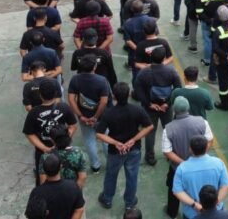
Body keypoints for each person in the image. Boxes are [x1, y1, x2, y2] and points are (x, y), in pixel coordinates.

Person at [95, 82, 153, 211]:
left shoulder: (109, 113)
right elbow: (149, 126)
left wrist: (116, 143)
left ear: (114, 96)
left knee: (111, 175)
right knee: (132, 176)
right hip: (134, 150)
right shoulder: (137, 109)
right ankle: (129, 203)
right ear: (128, 94)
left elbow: (99, 134)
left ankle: (107, 199)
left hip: (115, 151)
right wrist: (133, 140)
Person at [164, 97, 215, 216]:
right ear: (188, 108)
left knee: (174, 189)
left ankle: (172, 212)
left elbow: (167, 151)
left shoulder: (168, 129)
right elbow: (210, 140)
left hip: (177, 168)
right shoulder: (202, 121)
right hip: (201, 164)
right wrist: (199, 156)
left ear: (174, 110)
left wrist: (184, 163)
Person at [67, 55, 111, 174]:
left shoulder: (75, 79)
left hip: (84, 117)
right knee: (106, 139)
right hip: (101, 117)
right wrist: (96, 117)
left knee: (89, 140)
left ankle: (95, 165)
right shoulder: (102, 80)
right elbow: (104, 101)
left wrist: (81, 116)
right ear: (95, 66)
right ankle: (110, 164)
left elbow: (71, 99)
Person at [173, 135, 228, 219]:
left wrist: (195, 205)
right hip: (216, 211)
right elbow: (226, 186)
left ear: (190, 149)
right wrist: (214, 203)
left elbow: (177, 191)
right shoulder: (218, 163)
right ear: (207, 146)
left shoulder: (182, 168)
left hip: (192, 214)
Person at [26, 155, 85, 219]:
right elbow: (79, 210)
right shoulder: (73, 187)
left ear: (44, 169)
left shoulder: (37, 192)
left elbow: (31, 214)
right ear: (60, 167)